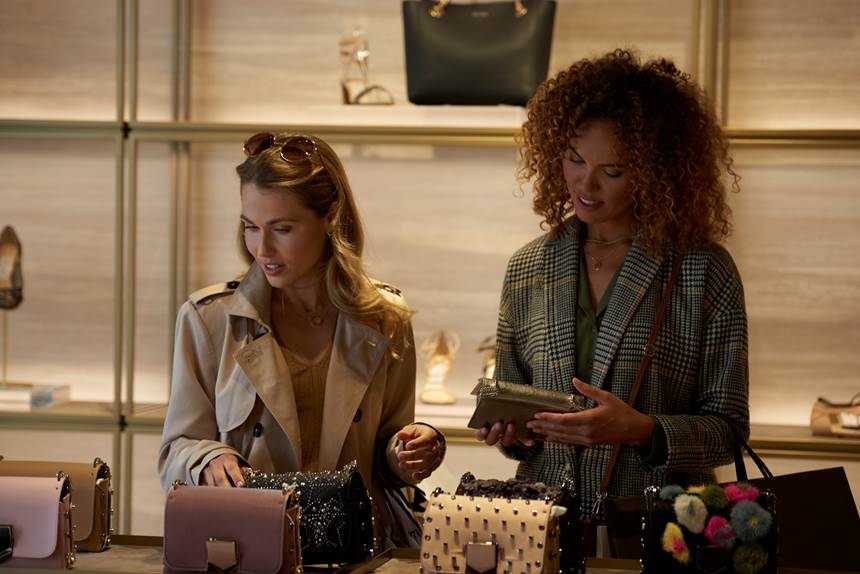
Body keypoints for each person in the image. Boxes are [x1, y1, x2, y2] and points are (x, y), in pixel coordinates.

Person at [476, 49, 749, 515]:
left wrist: (639, 429)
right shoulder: (527, 268)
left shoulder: (701, 270)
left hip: (660, 528)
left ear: (653, 169)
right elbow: (518, 421)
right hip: (545, 530)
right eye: (575, 159)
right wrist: (511, 432)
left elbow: (728, 431)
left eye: (613, 171)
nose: (586, 185)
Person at [158, 132, 445, 547]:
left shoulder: (385, 319)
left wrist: (412, 449)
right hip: (247, 548)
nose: (262, 248)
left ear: (330, 216)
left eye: (282, 228)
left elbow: (388, 453)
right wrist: (206, 457)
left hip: (355, 549)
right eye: (251, 227)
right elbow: (175, 450)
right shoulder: (209, 319)